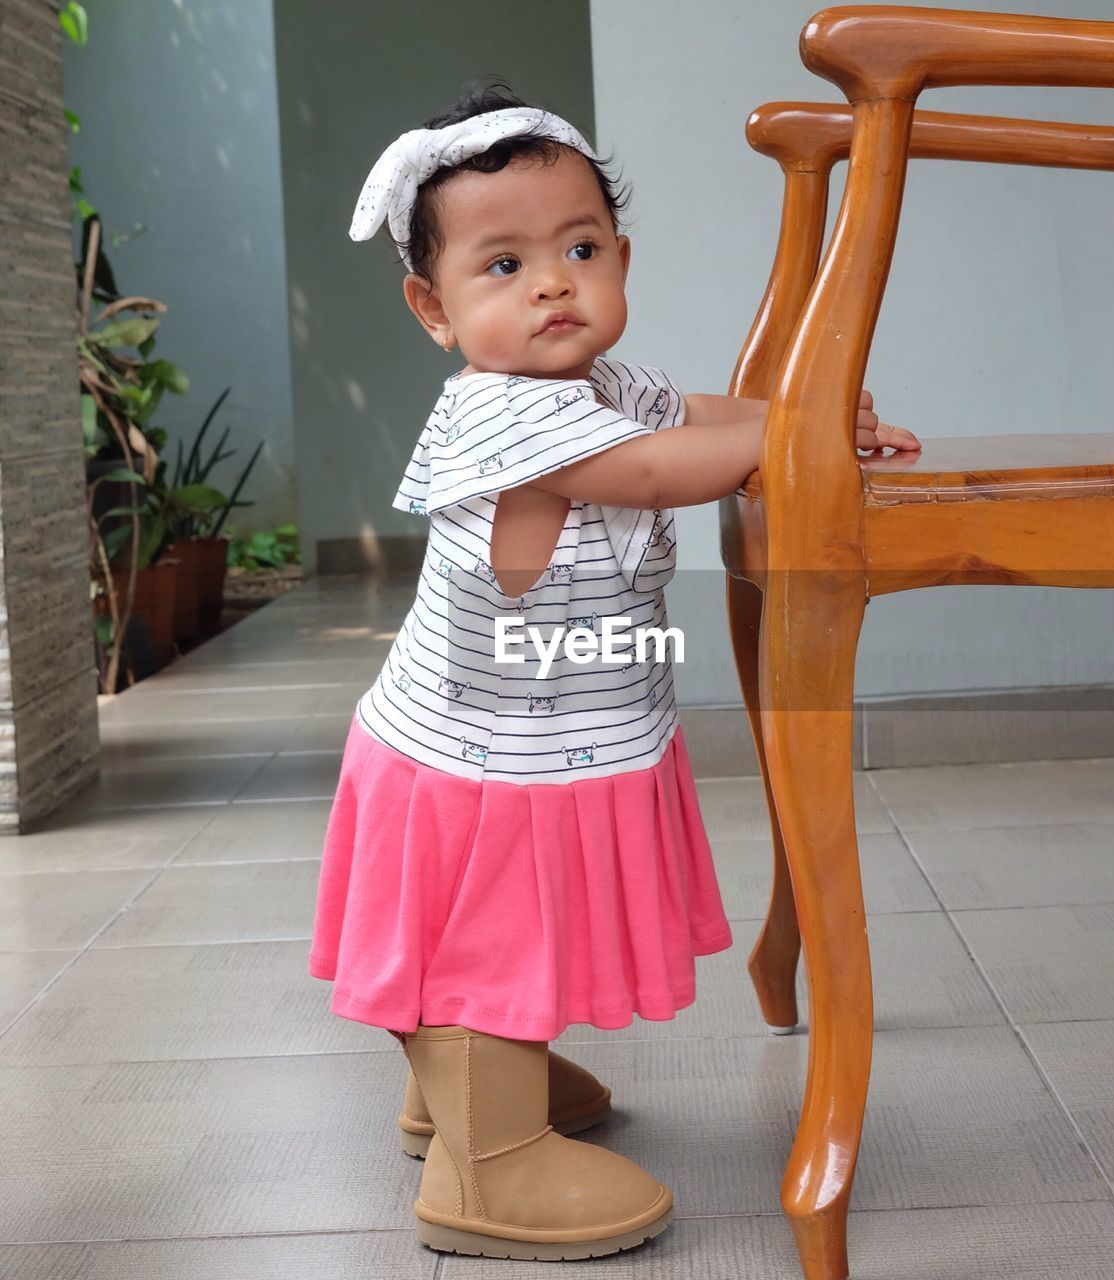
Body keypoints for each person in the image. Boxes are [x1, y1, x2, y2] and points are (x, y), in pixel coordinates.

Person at [309, 80, 921, 1264]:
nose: (550, 281)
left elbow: (694, 410)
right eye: (502, 265)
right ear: (431, 309)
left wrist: (810, 411)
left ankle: (460, 1087)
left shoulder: (598, 390)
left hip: (545, 736)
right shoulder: (502, 417)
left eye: (578, 247)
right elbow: (654, 471)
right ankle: (482, 1168)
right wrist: (796, 433)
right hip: (483, 767)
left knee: (495, 941)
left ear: (619, 258)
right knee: (486, 934)